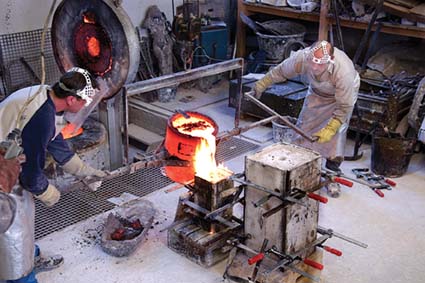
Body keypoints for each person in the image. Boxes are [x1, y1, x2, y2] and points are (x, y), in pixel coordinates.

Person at [0, 67, 106, 283]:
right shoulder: (41, 118)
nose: (86, 105)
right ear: (71, 99)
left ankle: (29, 253)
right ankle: (20, 275)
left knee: (25, 211)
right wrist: (48, 193)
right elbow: (31, 174)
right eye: (84, 101)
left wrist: (84, 171)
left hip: (11, 156)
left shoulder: (48, 98)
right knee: (12, 229)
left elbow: (55, 142)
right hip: (3, 169)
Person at [254, 40, 359, 198]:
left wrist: (330, 128)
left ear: (330, 60)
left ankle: (331, 176)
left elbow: (344, 106)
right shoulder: (302, 58)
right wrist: (263, 82)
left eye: (320, 64)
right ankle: (300, 171)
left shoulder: (344, 72)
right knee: (304, 130)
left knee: (336, 137)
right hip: (317, 92)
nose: (315, 68)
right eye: (312, 63)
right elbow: (281, 71)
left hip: (341, 98)